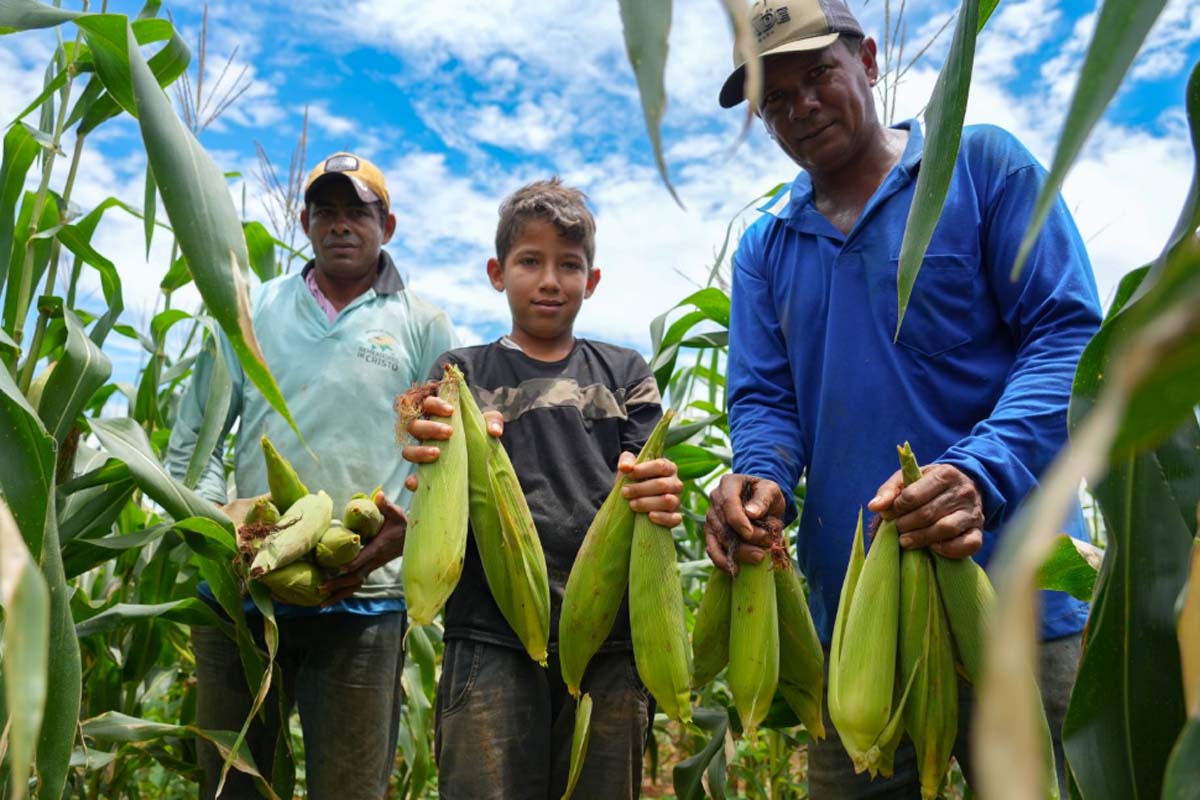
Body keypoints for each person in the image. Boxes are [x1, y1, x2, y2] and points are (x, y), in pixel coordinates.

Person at [706, 1, 1103, 797]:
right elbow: (762, 399)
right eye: (774, 99)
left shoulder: (981, 167)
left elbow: (1067, 339)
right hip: (858, 629)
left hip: (1024, 605)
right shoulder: (765, 248)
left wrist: (979, 475)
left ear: (871, 60)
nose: (801, 107)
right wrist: (760, 476)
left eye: (817, 75)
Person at [166, 152, 457, 800]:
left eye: (359, 210)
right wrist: (223, 536)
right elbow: (197, 444)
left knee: (351, 789)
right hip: (242, 593)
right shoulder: (247, 308)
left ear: (389, 224)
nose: (341, 224)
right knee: (232, 782)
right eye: (327, 210)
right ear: (304, 221)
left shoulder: (422, 322)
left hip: (367, 600)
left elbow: (444, 458)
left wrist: (403, 534)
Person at [401, 178, 684, 799]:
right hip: (490, 635)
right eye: (530, 262)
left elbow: (646, 471)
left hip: (611, 640)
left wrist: (660, 489)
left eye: (569, 265)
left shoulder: (626, 373)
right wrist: (429, 430)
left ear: (593, 279)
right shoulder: (461, 373)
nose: (550, 280)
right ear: (497, 273)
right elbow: (428, 447)